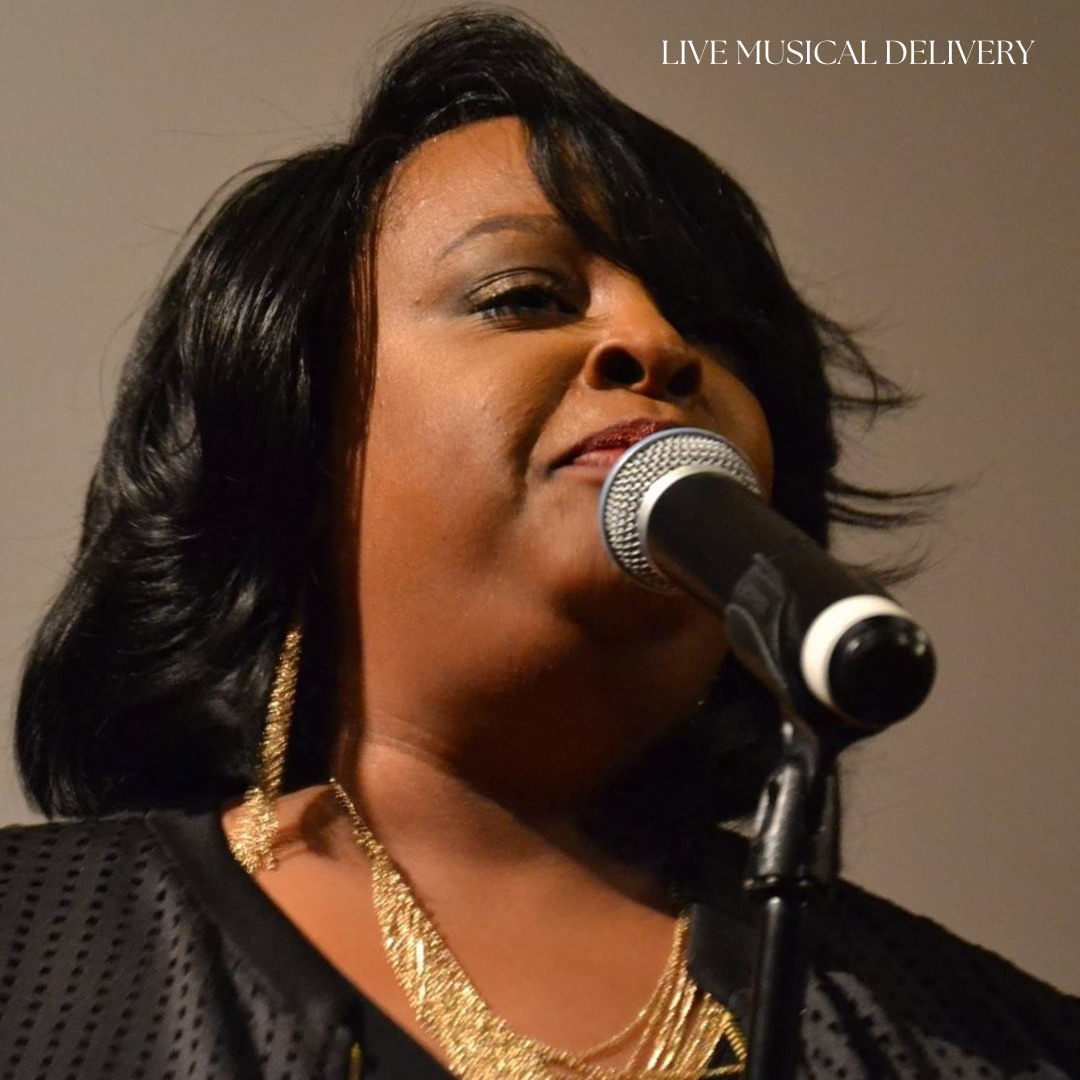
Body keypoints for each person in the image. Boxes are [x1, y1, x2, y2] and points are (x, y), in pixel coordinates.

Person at [1, 9, 1077, 1080]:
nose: (655, 343)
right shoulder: (32, 953)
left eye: (718, 333)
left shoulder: (1000, 1044)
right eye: (525, 297)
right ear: (292, 439)